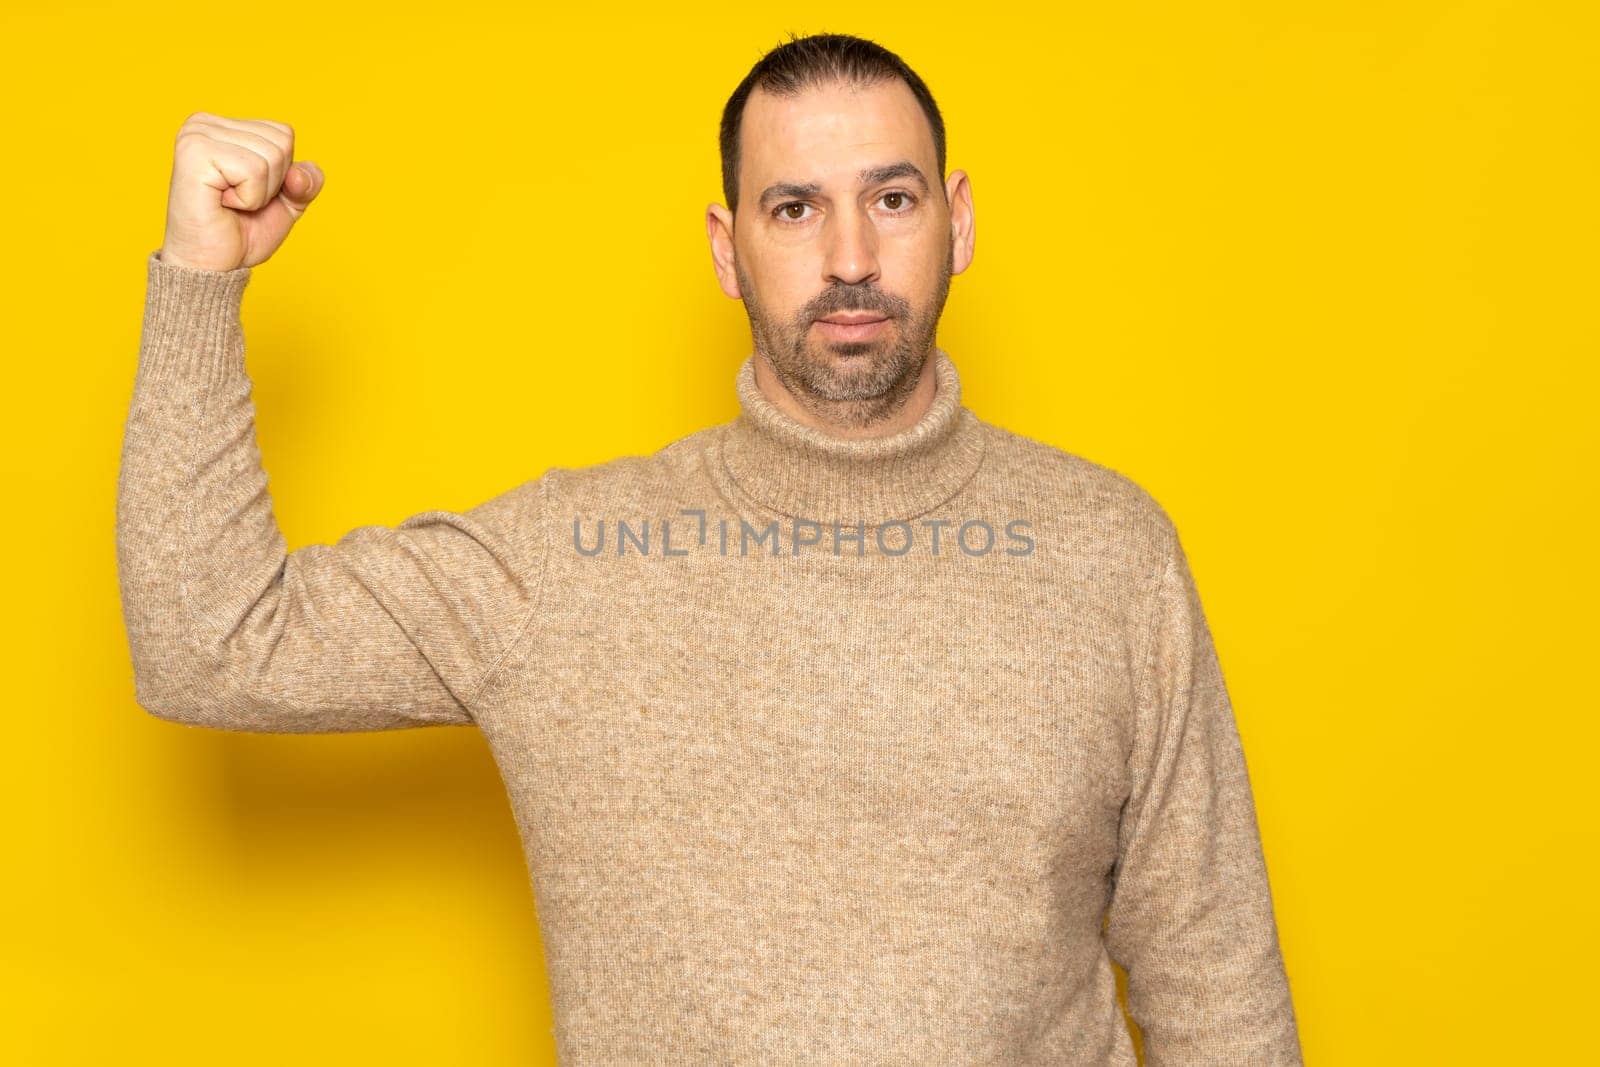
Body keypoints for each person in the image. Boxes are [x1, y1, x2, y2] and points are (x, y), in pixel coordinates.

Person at [118, 31, 1304, 1065]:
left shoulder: (1107, 552)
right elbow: (210, 643)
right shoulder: (570, 565)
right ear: (728, 247)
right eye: (794, 208)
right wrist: (200, 283)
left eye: (891, 199)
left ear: (959, 220)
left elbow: (1217, 986)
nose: (849, 257)